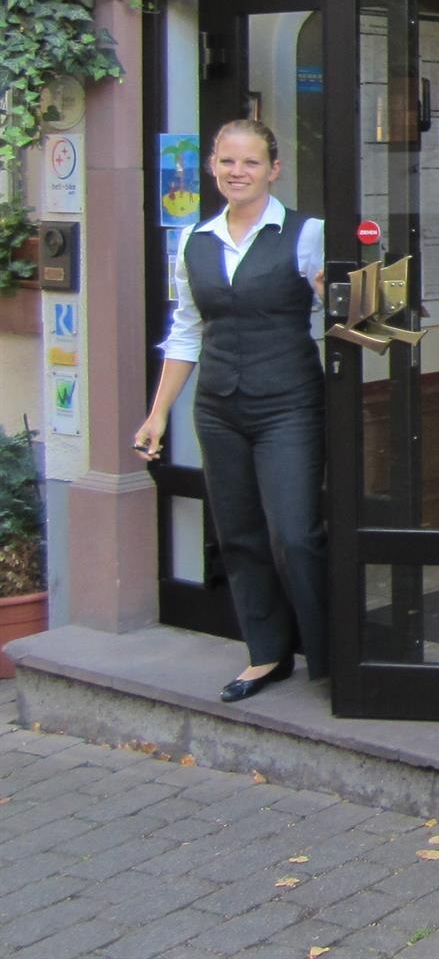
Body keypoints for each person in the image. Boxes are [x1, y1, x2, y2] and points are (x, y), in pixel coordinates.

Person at [133, 120, 329, 702]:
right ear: (212, 168)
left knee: (295, 534)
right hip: (219, 407)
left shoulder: (307, 233)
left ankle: (332, 656)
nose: (237, 172)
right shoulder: (196, 241)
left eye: (250, 162)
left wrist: (332, 293)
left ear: (274, 170)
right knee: (239, 534)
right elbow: (186, 331)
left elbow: (340, 311)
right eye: (227, 161)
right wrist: (158, 414)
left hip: (289, 403)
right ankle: (266, 654)